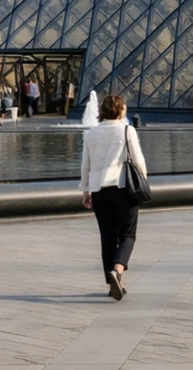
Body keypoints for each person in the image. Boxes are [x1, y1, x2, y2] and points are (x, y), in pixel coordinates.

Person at [80, 94, 146, 300]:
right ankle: (117, 270)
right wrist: (143, 180)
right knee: (127, 235)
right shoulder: (127, 130)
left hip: (99, 190)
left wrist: (85, 191)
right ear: (119, 110)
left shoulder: (90, 134)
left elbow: (85, 165)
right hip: (123, 188)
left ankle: (114, 285)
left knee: (107, 238)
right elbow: (138, 160)